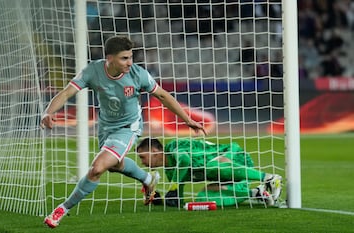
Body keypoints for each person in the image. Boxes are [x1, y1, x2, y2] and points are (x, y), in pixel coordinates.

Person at [41, 36, 206, 228]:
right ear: (109, 58)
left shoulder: (138, 74)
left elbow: (162, 95)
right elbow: (67, 92)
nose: (130, 62)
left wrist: (187, 120)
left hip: (128, 127)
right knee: (114, 164)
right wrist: (48, 112)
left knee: (98, 167)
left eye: (131, 57)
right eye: (124, 58)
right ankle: (148, 178)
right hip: (105, 126)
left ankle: (63, 208)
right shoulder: (93, 70)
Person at [136, 138, 282, 208]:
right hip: (224, 176)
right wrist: (160, 200)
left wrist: (173, 188)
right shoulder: (171, 171)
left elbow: (185, 160)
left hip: (234, 156)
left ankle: (268, 178)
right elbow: (177, 201)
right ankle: (256, 193)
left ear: (155, 151)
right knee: (202, 198)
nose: (142, 162)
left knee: (211, 167)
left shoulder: (173, 147)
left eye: (142, 157)